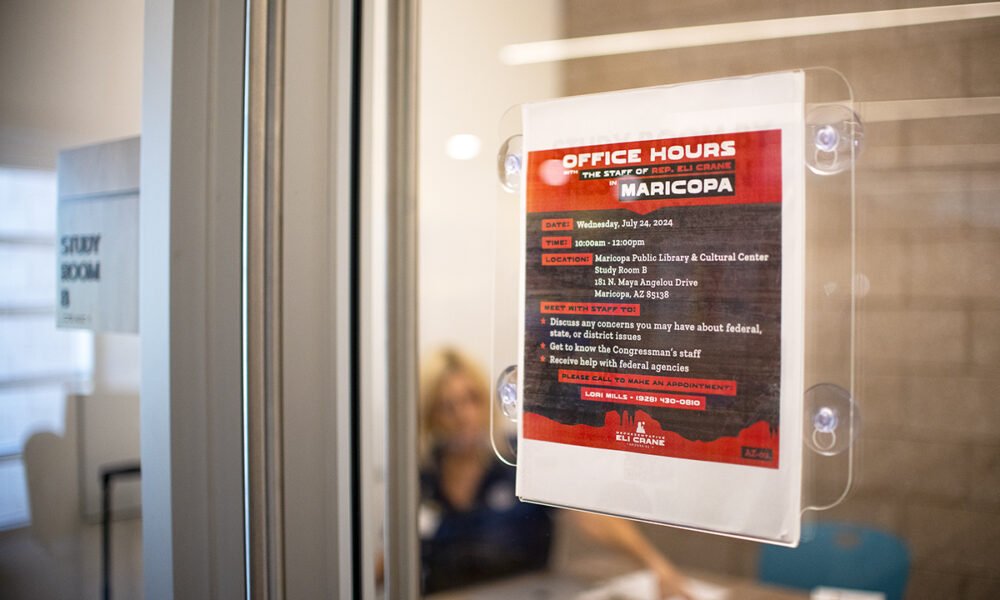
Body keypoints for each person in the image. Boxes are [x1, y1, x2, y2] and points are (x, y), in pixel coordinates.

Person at [418, 347, 691, 597]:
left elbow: (589, 514)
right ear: (431, 416)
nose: (463, 414)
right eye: (447, 406)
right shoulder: (423, 476)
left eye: (471, 399)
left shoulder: (519, 457)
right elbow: (396, 552)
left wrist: (654, 563)